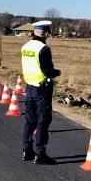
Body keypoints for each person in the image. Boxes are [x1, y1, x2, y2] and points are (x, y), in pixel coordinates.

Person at [20, 20, 61, 165]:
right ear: (45, 32)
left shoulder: (26, 47)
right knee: (42, 121)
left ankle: (27, 150)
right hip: (42, 89)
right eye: (48, 32)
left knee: (30, 120)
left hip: (29, 87)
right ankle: (40, 153)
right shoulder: (43, 48)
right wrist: (57, 72)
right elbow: (47, 71)